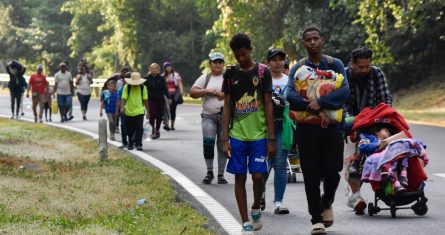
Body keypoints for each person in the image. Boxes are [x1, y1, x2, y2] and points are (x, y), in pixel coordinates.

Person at [286, 26, 349, 234]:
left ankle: (326, 200)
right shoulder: (298, 68)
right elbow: (290, 95)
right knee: (311, 175)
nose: (312, 42)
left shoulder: (335, 64)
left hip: (333, 129)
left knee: (333, 172)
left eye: (316, 38)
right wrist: (308, 106)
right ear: (304, 44)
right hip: (306, 130)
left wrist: (320, 102)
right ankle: (316, 219)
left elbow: (344, 92)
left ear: (322, 40)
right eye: (308, 40)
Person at [222, 33, 276, 234]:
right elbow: (227, 106)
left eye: (243, 54)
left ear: (250, 50)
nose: (241, 59)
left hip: (259, 136)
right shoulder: (230, 74)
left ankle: (255, 206)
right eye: (237, 55)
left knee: (258, 177)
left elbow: (268, 104)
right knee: (239, 177)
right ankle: (245, 220)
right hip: (237, 135)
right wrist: (224, 138)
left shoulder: (263, 72)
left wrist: (271, 138)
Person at [343, 46, 393, 214]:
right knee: (354, 160)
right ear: (353, 64)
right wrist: (354, 122)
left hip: (376, 121)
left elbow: (386, 99)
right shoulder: (344, 75)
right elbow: (342, 104)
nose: (364, 70)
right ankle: (356, 197)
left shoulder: (377, 73)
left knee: (386, 151)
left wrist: (381, 121)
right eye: (360, 67)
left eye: (367, 66)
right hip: (353, 123)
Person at [190, 52, 228, 185]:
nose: (217, 64)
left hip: (224, 117)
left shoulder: (228, 78)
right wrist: (207, 91)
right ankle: (210, 172)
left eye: (220, 62)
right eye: (215, 62)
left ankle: (221, 174)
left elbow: (237, 94)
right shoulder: (205, 78)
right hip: (208, 117)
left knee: (223, 145)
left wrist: (225, 95)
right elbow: (193, 92)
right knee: (208, 143)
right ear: (210, 64)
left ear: (223, 64)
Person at [261, 48, 290, 214]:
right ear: (268, 62)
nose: (278, 62)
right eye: (274, 59)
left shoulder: (289, 81)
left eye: (280, 59)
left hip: (282, 127)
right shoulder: (262, 80)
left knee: (280, 165)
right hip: (263, 128)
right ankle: (261, 193)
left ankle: (279, 202)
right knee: (264, 164)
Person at [120, 72, 149, 151]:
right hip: (128, 111)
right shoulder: (127, 87)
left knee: (139, 128)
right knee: (130, 129)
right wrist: (122, 108)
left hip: (139, 111)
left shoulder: (143, 88)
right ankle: (131, 143)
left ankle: (139, 144)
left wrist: (148, 112)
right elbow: (123, 98)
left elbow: (145, 100)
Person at [143, 63, 168, 139]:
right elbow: (143, 89)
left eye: (155, 68)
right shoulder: (146, 78)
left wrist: (169, 97)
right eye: (152, 68)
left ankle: (157, 130)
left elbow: (165, 89)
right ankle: (153, 131)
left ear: (158, 70)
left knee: (159, 116)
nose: (154, 69)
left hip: (160, 99)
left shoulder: (161, 78)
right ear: (150, 69)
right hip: (150, 99)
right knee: (152, 115)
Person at [163, 61, 184, 131]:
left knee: (173, 110)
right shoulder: (163, 76)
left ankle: (172, 125)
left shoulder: (176, 75)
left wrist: (181, 90)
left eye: (169, 66)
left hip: (174, 94)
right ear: (165, 68)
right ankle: (166, 124)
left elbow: (179, 83)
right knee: (166, 109)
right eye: (167, 67)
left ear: (171, 67)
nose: (168, 68)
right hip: (166, 95)